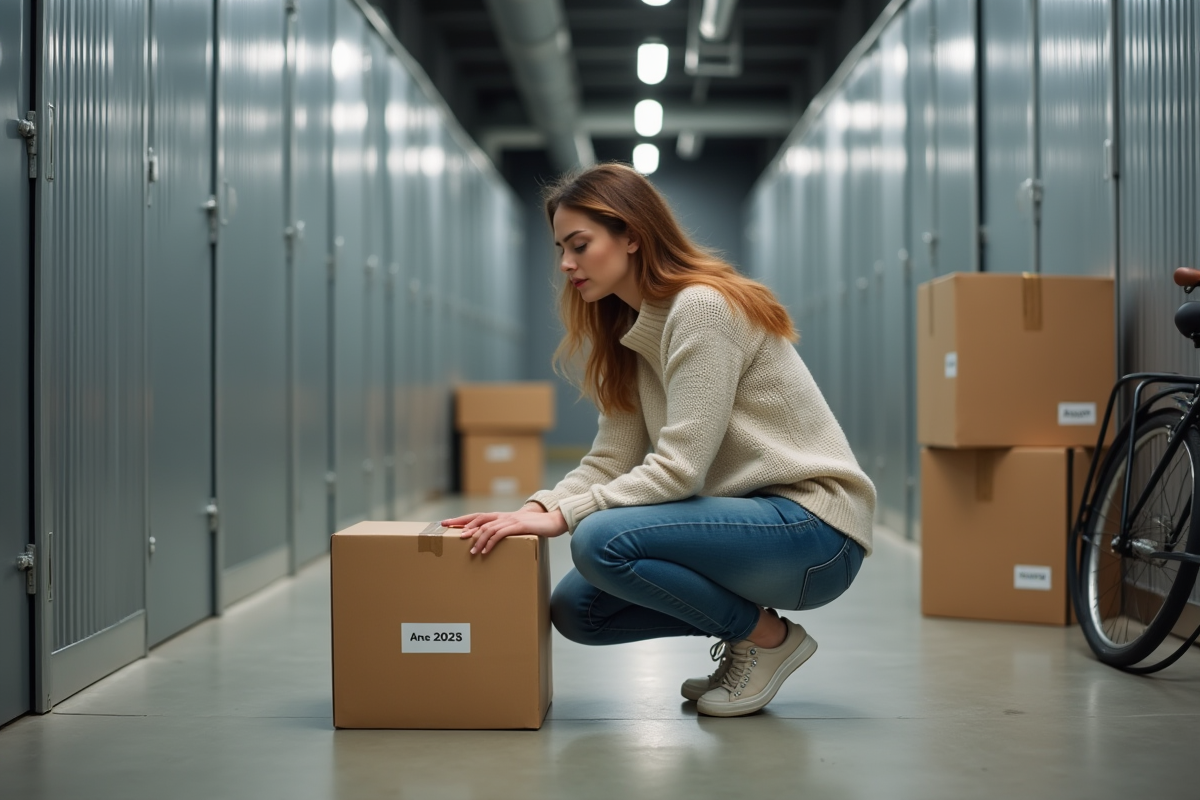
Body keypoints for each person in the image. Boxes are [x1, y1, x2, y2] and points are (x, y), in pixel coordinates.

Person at [443, 163, 875, 718]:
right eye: (560, 249)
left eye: (580, 244)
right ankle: (749, 636)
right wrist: (537, 506)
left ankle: (767, 639)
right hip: (754, 523)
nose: (566, 265)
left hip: (814, 531)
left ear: (632, 236)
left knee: (598, 540)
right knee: (579, 610)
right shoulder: (629, 333)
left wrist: (565, 517)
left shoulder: (701, 308)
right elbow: (609, 461)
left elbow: (681, 469)